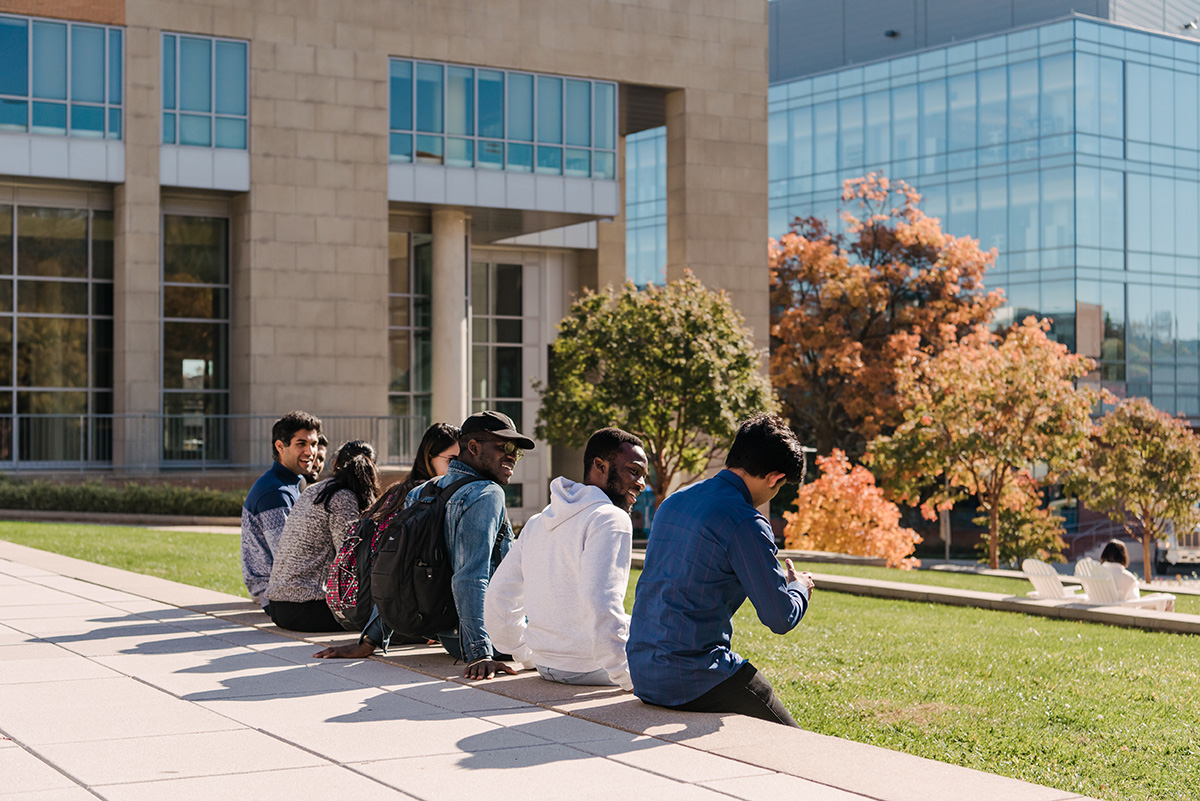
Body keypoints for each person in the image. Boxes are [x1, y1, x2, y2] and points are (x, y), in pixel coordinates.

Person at [626, 412, 814, 727]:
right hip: (690, 676)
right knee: (792, 737)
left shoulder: (673, 502)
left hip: (643, 671)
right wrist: (799, 587)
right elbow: (779, 617)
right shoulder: (746, 521)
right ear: (775, 478)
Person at [315, 410, 533, 681]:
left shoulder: (423, 491)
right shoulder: (487, 494)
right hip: (492, 639)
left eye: (517, 451)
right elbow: (470, 577)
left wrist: (368, 641)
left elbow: (398, 570)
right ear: (474, 447)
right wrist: (480, 653)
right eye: (505, 446)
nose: (512, 455)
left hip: (448, 637)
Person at [485, 428, 648, 690]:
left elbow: (499, 594)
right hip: (592, 668)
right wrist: (628, 678)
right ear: (600, 465)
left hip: (546, 665)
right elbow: (601, 601)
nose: (641, 483)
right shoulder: (610, 519)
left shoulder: (538, 521)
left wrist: (525, 653)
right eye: (633, 470)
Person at [266, 440, 381, 632]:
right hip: (305, 607)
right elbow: (352, 560)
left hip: (277, 606)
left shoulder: (315, 490)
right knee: (389, 620)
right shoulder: (342, 498)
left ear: (336, 464)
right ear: (372, 470)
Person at [242, 410, 322, 611]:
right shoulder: (274, 492)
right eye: (301, 444)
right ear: (280, 446)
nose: (310, 452)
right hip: (277, 594)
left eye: (313, 444)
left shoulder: (293, 484)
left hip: (287, 587)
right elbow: (287, 556)